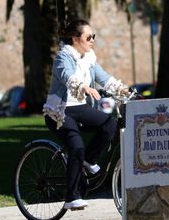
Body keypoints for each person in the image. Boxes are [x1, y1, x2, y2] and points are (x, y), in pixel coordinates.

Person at [43, 19, 129, 210]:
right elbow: (67, 76)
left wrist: (124, 90)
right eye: (88, 37)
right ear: (75, 39)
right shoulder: (63, 57)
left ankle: (89, 160)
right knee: (76, 146)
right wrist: (83, 86)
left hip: (80, 109)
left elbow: (103, 77)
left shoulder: (89, 58)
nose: (92, 40)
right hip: (60, 111)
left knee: (110, 124)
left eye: (93, 36)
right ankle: (72, 197)